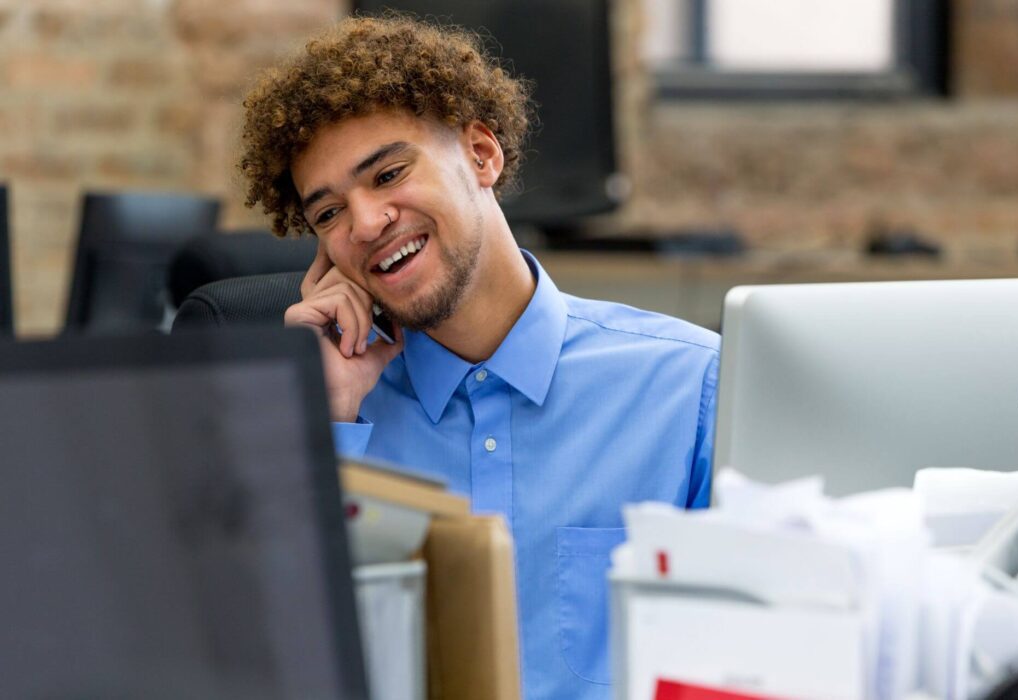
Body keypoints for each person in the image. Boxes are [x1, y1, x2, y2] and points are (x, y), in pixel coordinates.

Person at [238, 14, 720, 700]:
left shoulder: (689, 387)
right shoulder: (325, 421)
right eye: (328, 215)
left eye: (389, 173)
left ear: (481, 154)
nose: (367, 223)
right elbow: (277, 662)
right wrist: (327, 421)